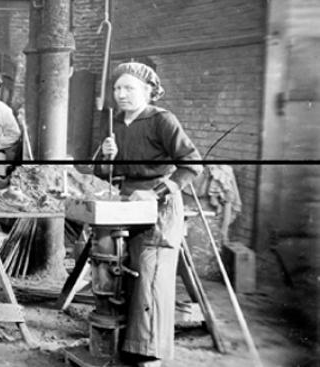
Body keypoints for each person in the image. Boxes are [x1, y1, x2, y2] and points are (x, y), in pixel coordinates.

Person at [91, 62, 202, 367]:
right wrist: (108, 158)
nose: (121, 94)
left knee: (150, 277)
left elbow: (191, 164)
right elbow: (107, 174)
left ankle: (150, 356)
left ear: (149, 91)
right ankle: (129, 348)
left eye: (129, 88)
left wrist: (156, 193)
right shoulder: (115, 123)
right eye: (117, 88)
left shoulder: (162, 120)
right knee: (122, 277)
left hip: (159, 206)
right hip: (128, 204)